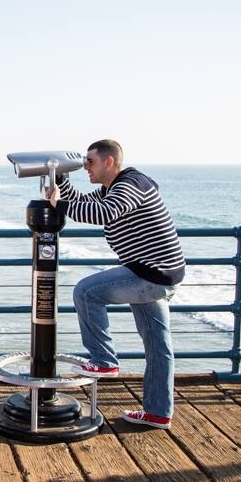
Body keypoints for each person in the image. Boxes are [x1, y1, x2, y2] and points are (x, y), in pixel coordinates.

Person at [47, 139, 185, 430]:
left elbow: (103, 214)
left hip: (149, 275)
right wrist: (60, 180)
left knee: (85, 292)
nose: (86, 167)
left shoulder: (132, 184)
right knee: (158, 347)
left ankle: (103, 360)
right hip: (158, 273)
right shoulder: (112, 188)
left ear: (109, 162)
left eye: (90, 162)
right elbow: (87, 203)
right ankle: (159, 412)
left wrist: (58, 204)